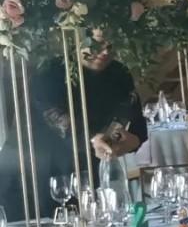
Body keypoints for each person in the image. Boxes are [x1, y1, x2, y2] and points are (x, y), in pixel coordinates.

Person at [2, 32, 148, 216]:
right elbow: (62, 122)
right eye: (96, 44)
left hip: (85, 172)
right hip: (34, 173)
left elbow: (135, 121)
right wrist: (95, 140)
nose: (104, 52)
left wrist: (131, 141)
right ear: (75, 40)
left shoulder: (119, 73)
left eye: (110, 46)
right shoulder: (50, 73)